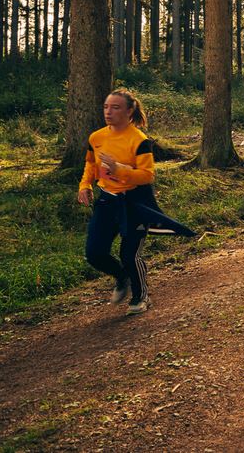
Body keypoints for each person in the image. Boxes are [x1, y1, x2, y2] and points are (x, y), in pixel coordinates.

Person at [78, 88, 194, 316]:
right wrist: (84, 185)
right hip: (107, 200)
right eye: (106, 107)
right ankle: (122, 277)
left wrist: (119, 169)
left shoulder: (139, 140)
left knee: (129, 254)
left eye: (115, 107)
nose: (108, 112)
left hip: (134, 202)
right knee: (94, 253)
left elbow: (147, 175)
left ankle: (141, 296)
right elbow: (90, 164)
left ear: (129, 111)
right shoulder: (97, 137)